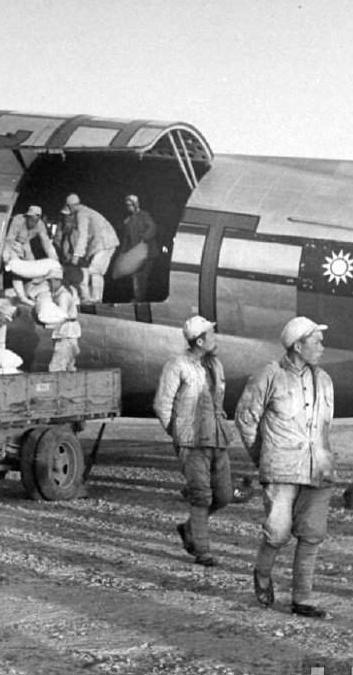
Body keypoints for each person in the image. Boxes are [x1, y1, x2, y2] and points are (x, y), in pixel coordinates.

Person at [235, 316, 335, 619]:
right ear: (297, 345)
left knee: (312, 534)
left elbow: (325, 426)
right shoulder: (269, 376)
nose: (322, 347)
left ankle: (302, 600)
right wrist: (262, 457)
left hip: (319, 470)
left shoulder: (325, 380)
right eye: (316, 341)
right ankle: (262, 573)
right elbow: (245, 418)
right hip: (281, 470)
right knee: (277, 534)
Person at [153, 316, 231, 567]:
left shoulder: (216, 366)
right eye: (211, 334)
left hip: (217, 437)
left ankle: (189, 529)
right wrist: (178, 433)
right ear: (199, 340)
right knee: (200, 496)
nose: (215, 338)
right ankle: (203, 551)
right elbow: (162, 405)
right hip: (191, 441)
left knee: (225, 495)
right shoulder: (177, 366)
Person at [63, 193, 120, 304]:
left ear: (70, 206)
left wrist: (76, 256)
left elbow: (82, 236)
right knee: (94, 270)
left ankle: (96, 300)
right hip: (104, 242)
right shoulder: (85, 211)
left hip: (105, 242)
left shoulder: (81, 214)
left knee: (95, 270)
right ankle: (93, 299)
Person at [2, 206, 57, 302]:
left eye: (34, 220)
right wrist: (6, 255)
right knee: (17, 270)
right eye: (30, 219)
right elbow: (10, 239)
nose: (31, 222)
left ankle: (27, 293)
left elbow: (46, 243)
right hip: (14, 244)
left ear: (38, 219)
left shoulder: (40, 225)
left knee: (31, 268)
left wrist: (54, 259)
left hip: (25, 245)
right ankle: (21, 296)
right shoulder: (18, 220)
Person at [120, 195, 158, 302]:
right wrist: (123, 252)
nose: (128, 208)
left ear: (135, 205)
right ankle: (138, 298)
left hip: (147, 253)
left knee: (143, 276)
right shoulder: (128, 220)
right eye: (127, 206)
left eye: (130, 205)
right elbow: (126, 238)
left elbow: (153, 228)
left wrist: (144, 238)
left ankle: (141, 298)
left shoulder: (144, 215)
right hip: (135, 254)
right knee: (136, 276)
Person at [46, 265, 81, 372]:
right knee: (69, 365)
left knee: (56, 367)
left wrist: (47, 324)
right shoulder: (57, 294)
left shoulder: (63, 296)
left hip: (66, 332)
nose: (49, 284)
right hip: (66, 331)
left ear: (58, 281)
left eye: (51, 281)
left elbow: (61, 315)